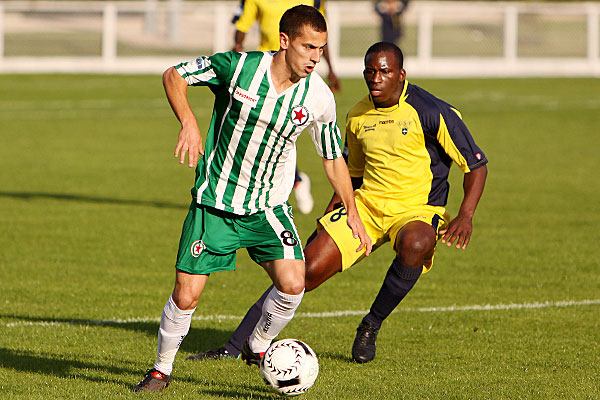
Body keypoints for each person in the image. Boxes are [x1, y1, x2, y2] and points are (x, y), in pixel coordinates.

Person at [186, 41, 488, 365]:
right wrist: (333, 210)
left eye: (384, 71)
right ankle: (236, 346)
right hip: (366, 208)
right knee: (303, 272)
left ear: (401, 74)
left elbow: (475, 165)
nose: (376, 78)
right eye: (370, 71)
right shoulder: (358, 114)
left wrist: (466, 215)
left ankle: (371, 324)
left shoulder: (432, 111)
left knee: (416, 242)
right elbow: (351, 171)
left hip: (416, 211)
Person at [132, 6, 371, 392]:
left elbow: (332, 159)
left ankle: (257, 346)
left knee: (294, 282)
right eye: (308, 47)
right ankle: (161, 370)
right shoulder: (239, 68)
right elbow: (174, 75)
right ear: (284, 41)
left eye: (321, 49)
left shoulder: (320, 97)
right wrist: (189, 123)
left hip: (268, 207)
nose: (315, 57)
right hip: (216, 203)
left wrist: (353, 211)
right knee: (186, 294)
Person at [232, 0, 342, 215]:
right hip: (267, 72)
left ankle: (292, 183)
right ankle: (293, 182)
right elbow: (242, 26)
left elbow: (318, 37)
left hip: (297, 73)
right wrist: (237, 50)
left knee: (280, 135)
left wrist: (330, 69)